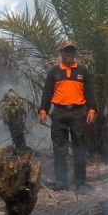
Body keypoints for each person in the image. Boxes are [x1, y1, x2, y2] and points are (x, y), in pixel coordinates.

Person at [38, 40, 96, 191]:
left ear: (74, 53)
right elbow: (47, 93)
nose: (69, 54)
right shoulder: (54, 72)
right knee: (59, 148)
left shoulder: (83, 72)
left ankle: (80, 183)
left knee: (79, 148)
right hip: (59, 113)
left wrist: (92, 110)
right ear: (61, 53)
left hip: (78, 113)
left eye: (72, 51)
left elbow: (90, 93)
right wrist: (43, 110)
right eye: (66, 51)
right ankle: (61, 182)